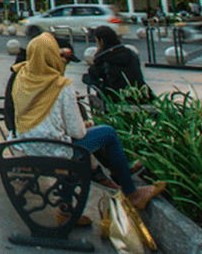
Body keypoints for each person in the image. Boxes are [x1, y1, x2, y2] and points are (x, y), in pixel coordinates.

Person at [11, 33, 165, 214]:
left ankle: (65, 209)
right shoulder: (60, 85)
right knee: (107, 133)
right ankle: (132, 192)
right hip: (53, 149)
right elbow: (77, 132)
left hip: (26, 145)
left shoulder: (21, 77)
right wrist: (85, 125)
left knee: (79, 154)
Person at [82, 26, 153, 103]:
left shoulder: (104, 57)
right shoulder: (130, 53)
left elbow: (93, 73)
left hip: (116, 96)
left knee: (87, 78)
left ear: (101, 41)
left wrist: (97, 56)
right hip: (138, 93)